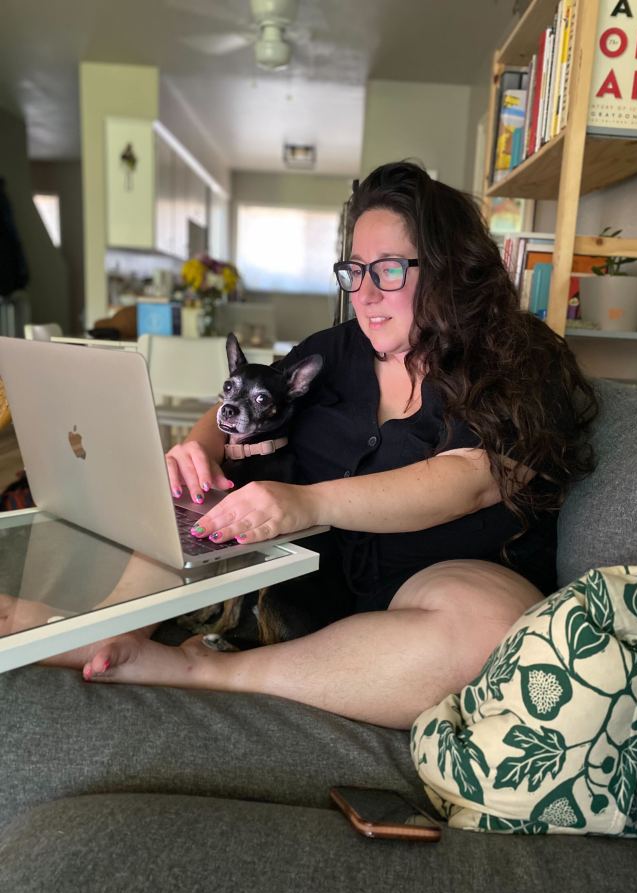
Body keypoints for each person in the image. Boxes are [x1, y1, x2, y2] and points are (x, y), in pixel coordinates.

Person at [32, 161, 597, 730]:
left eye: (391, 269)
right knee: (189, 507)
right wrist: (201, 448)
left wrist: (308, 502)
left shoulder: (518, 356)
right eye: (354, 271)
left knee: (490, 629)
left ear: (452, 269)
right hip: (304, 577)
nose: (366, 293)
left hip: (433, 578)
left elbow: (470, 480)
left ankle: (207, 671)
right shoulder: (335, 350)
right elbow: (247, 397)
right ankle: (108, 630)